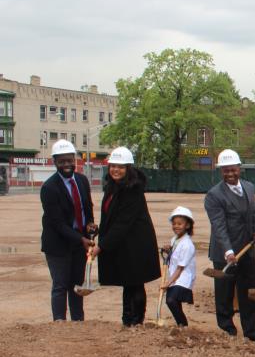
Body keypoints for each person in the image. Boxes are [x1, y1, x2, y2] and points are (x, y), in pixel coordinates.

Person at [91, 147, 160, 326]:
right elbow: (111, 217)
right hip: (124, 245)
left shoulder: (133, 190)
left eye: (121, 167)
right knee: (128, 282)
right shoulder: (113, 187)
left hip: (136, 245)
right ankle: (127, 319)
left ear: (128, 168)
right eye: (113, 166)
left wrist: (101, 246)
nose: (116, 170)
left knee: (135, 282)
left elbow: (123, 223)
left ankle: (136, 321)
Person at [204, 149, 255, 341]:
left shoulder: (249, 187)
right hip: (224, 253)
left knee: (247, 293)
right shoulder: (214, 196)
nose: (230, 174)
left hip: (247, 251)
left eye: (233, 169)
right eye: (225, 170)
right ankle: (227, 329)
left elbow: (253, 212)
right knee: (224, 294)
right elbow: (219, 226)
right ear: (221, 171)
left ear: (239, 168)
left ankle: (251, 331)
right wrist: (229, 251)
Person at [41, 139, 95, 322]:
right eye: (62, 161)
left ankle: (78, 321)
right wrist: (81, 239)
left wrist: (90, 225)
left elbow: (87, 209)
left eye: (69, 160)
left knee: (77, 285)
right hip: (58, 245)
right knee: (60, 285)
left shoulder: (82, 181)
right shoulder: (49, 188)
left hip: (79, 243)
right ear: (54, 162)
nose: (67, 165)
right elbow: (57, 223)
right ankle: (59, 323)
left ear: (75, 160)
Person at [160, 206, 196, 327]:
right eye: (174, 223)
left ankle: (183, 325)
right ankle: (181, 325)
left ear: (187, 225)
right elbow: (175, 252)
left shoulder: (187, 245)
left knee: (171, 300)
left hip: (183, 278)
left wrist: (168, 283)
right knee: (173, 301)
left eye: (180, 224)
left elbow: (180, 268)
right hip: (175, 277)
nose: (176, 226)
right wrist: (169, 249)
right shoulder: (174, 239)